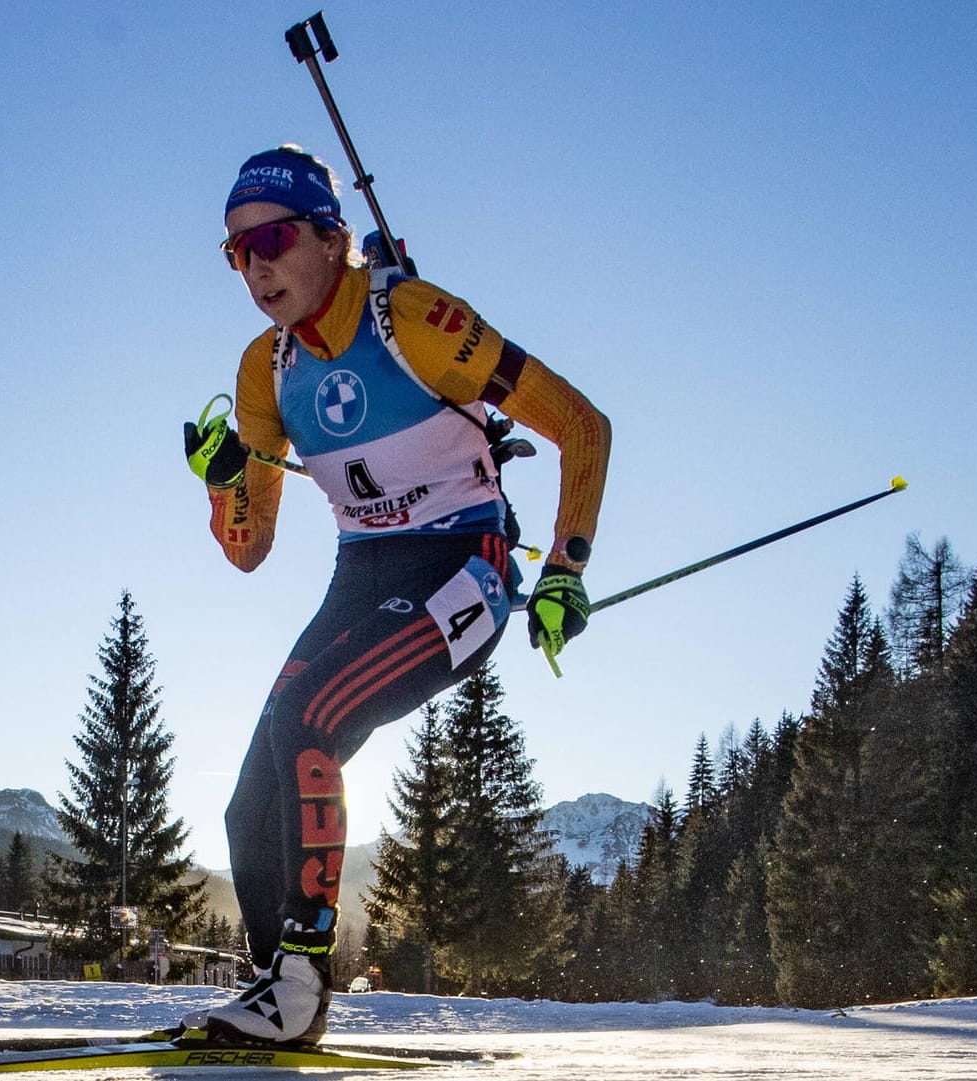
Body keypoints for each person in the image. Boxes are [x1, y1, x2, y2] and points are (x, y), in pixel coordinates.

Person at [179, 145, 610, 1044]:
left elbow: (580, 424)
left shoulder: (414, 318)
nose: (257, 265)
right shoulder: (266, 368)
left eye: (275, 237)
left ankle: (300, 985)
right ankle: (274, 990)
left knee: (310, 714)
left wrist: (564, 567)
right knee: (247, 806)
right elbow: (249, 550)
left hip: (465, 565)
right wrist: (224, 482)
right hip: (362, 573)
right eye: (236, 252)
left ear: (332, 238)